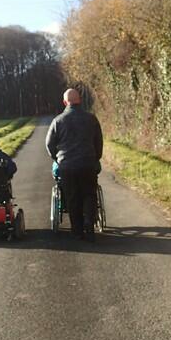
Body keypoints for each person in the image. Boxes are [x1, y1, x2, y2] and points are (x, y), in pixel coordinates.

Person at [46, 88, 103, 241]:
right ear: (80, 100)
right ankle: (89, 224)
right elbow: (98, 142)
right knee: (89, 194)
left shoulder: (58, 121)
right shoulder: (91, 119)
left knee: (72, 197)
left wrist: (57, 159)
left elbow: (49, 144)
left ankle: (77, 231)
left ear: (65, 102)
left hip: (67, 166)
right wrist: (95, 158)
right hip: (88, 163)